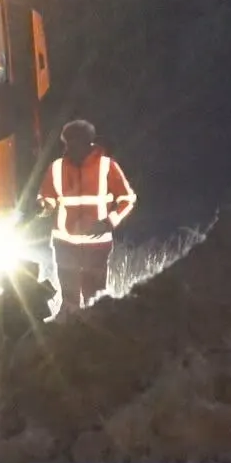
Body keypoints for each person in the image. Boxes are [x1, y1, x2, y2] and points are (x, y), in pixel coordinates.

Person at [36, 119, 136, 316]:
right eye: (68, 143)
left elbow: (127, 199)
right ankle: (68, 335)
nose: (71, 148)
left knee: (95, 299)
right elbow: (47, 197)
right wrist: (44, 206)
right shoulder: (56, 167)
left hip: (96, 244)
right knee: (69, 300)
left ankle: (94, 336)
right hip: (64, 242)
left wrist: (109, 222)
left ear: (88, 143)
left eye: (76, 143)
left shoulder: (108, 166)